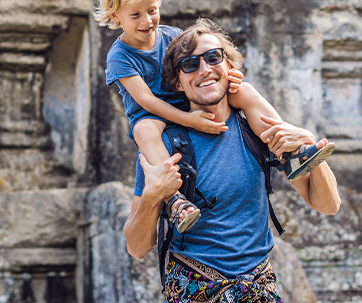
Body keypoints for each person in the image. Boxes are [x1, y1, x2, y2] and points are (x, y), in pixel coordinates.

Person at [94, 0, 333, 234]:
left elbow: (206, 64)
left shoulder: (171, 36)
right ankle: (174, 199)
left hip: (184, 99)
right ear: (115, 16)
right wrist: (189, 121)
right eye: (135, 15)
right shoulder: (119, 56)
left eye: (152, 10)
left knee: (244, 91)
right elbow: (146, 100)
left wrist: (232, 76)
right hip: (151, 113)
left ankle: (289, 149)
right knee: (144, 129)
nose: (147, 21)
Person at [123, 18, 342, 302]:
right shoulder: (166, 146)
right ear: (177, 82)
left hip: (258, 289)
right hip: (193, 291)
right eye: (190, 64)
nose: (205, 69)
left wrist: (309, 147)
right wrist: (154, 194)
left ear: (229, 68)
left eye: (213, 57)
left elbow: (327, 205)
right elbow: (137, 248)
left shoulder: (257, 131)